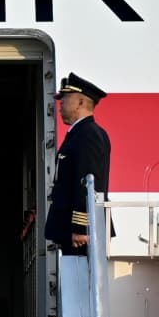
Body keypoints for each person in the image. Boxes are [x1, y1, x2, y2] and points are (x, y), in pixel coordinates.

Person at [45, 73, 111, 255]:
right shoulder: (80, 133)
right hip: (71, 230)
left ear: (81, 102)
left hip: (81, 235)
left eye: (65, 98)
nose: (60, 104)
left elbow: (89, 181)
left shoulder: (87, 134)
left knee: (79, 272)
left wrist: (81, 227)